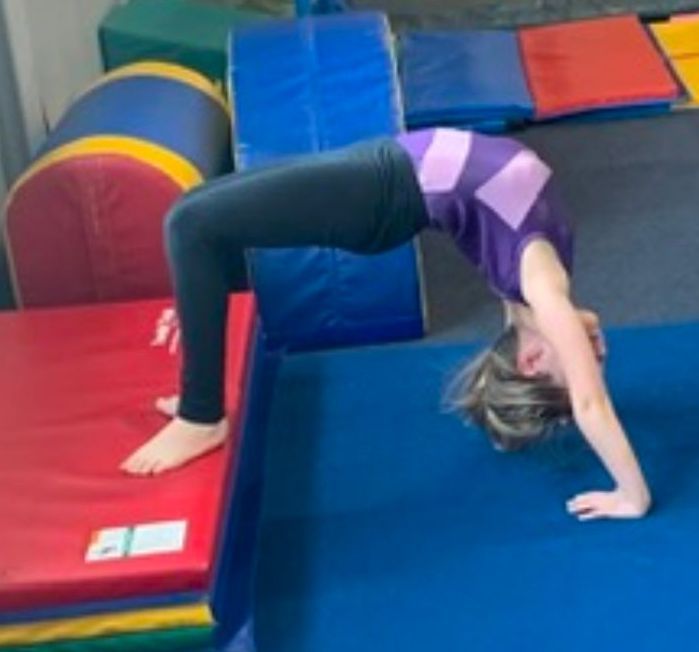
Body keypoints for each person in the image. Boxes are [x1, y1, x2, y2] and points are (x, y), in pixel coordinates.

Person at [121, 127, 651, 521]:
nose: (597, 353)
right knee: (197, 212)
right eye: (597, 355)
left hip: (380, 194)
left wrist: (632, 494)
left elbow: (589, 404)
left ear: (533, 359)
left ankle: (201, 416)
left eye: (587, 362)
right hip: (389, 161)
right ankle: (206, 372)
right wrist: (578, 331)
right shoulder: (536, 297)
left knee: (190, 225)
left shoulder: (540, 289)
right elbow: (567, 334)